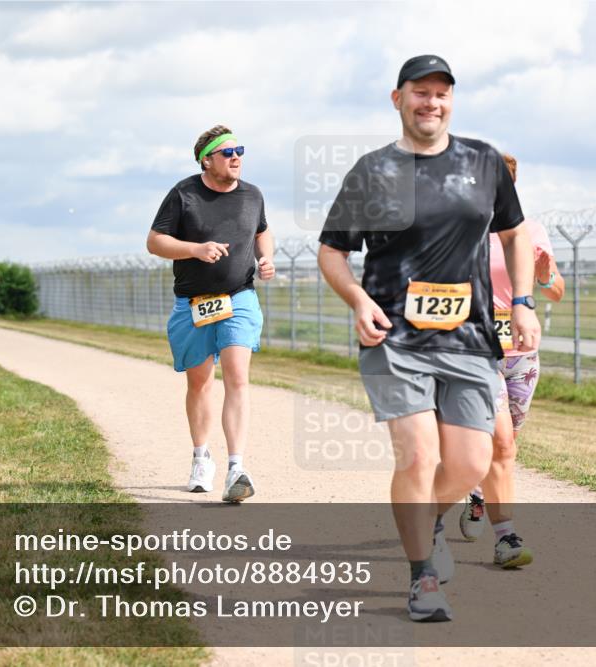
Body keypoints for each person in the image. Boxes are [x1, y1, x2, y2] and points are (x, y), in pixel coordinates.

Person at [317, 55, 539, 622]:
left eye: (441, 94)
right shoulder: (371, 171)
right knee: (419, 454)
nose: (431, 103)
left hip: (468, 337)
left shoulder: (484, 161)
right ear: (398, 99)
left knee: (469, 463)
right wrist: (359, 300)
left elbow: (515, 235)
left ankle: (430, 519)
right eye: (420, 92)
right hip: (395, 335)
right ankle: (422, 579)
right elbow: (332, 250)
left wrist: (522, 300)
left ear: (451, 102)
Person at [146, 124, 275, 503]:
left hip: (240, 297)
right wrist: (195, 250)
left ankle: (237, 467)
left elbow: (262, 231)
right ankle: (202, 457)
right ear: (208, 159)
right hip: (193, 302)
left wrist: (266, 259)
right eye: (228, 152)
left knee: (237, 376)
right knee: (200, 382)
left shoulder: (253, 195)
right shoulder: (183, 194)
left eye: (240, 150)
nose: (236, 157)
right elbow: (155, 241)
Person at [457, 154, 566, 569]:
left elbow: (557, 292)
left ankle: (479, 495)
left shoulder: (529, 231)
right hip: (476, 348)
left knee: (508, 443)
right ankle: (507, 538)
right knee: (499, 440)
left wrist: (543, 276)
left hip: (522, 353)